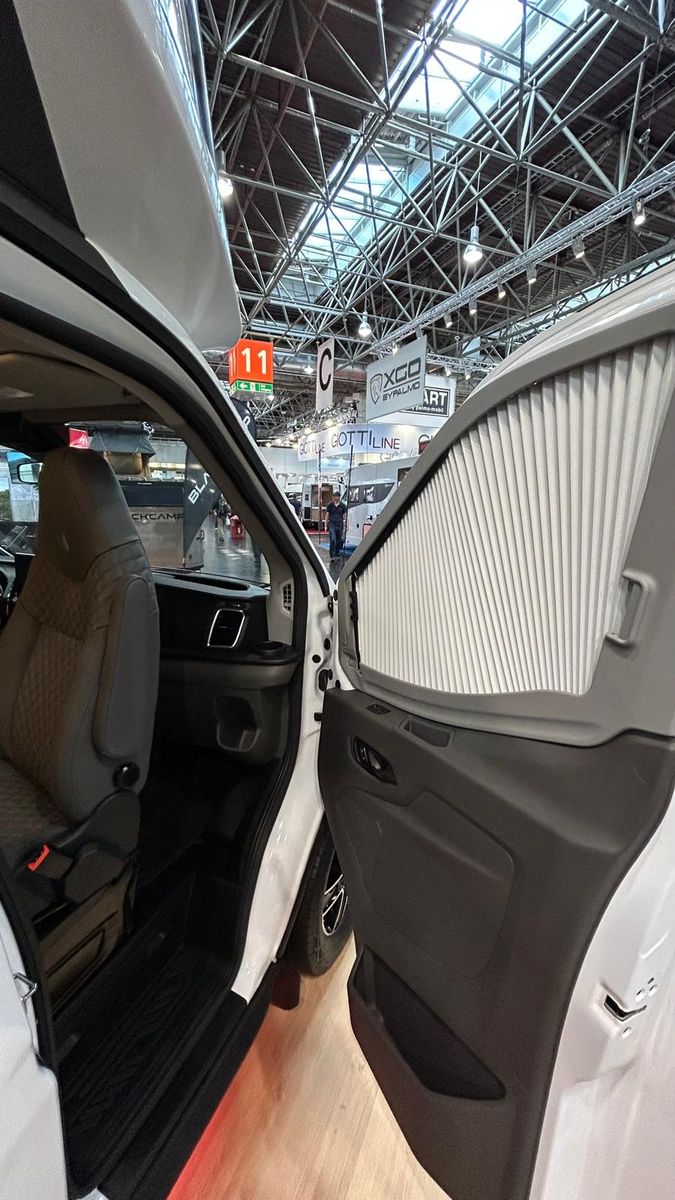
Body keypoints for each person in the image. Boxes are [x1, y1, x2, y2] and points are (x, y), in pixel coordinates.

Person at [325, 490, 347, 561]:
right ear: (333, 497)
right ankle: (332, 554)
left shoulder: (343, 506)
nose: (336, 498)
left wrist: (347, 525)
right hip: (332, 524)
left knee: (339, 540)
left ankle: (337, 553)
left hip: (340, 525)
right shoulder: (330, 505)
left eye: (337, 496)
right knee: (333, 539)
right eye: (334, 496)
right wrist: (325, 525)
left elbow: (345, 516)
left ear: (339, 497)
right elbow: (327, 515)